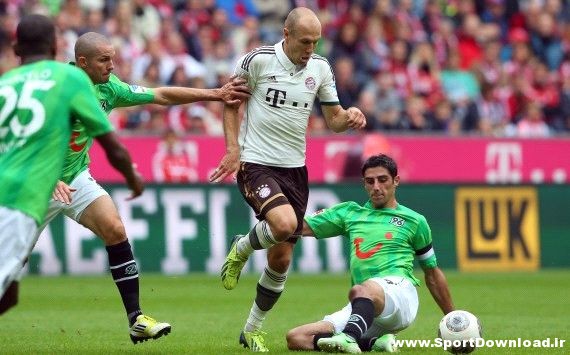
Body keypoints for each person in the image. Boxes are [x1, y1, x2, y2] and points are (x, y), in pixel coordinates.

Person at [2, 31, 251, 344]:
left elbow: (160, 95)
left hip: (76, 179)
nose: (112, 65)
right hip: (36, 184)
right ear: (82, 62)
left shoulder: (110, 88)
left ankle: (136, 319)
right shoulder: (57, 88)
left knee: (115, 228)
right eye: (104, 59)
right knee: (9, 273)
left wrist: (215, 93)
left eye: (112, 58)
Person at [209, 7, 366, 352]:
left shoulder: (321, 69)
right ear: (286, 33)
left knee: (280, 260)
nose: (311, 48)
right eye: (305, 41)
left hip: (295, 170)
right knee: (283, 224)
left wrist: (349, 117)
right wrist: (233, 149)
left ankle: (251, 330)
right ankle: (243, 246)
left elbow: (333, 119)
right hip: (256, 163)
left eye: (316, 42)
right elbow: (231, 102)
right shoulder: (257, 61)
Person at [0, 15, 142, 318]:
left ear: (15, 48)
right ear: (55, 46)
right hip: (18, 200)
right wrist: (131, 177)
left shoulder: (5, 84)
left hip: (25, 189)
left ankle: (136, 316)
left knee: (8, 295)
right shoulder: (69, 79)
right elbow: (110, 142)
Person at [286, 154, 457, 353]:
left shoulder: (415, 221)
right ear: (364, 184)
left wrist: (452, 317)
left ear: (396, 181)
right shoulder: (350, 213)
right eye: (370, 181)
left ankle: (348, 337)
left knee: (363, 288)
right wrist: (268, 218)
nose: (376, 186)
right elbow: (294, 227)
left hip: (399, 295)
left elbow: (432, 273)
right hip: (365, 305)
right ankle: (376, 343)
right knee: (297, 338)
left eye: (383, 180)